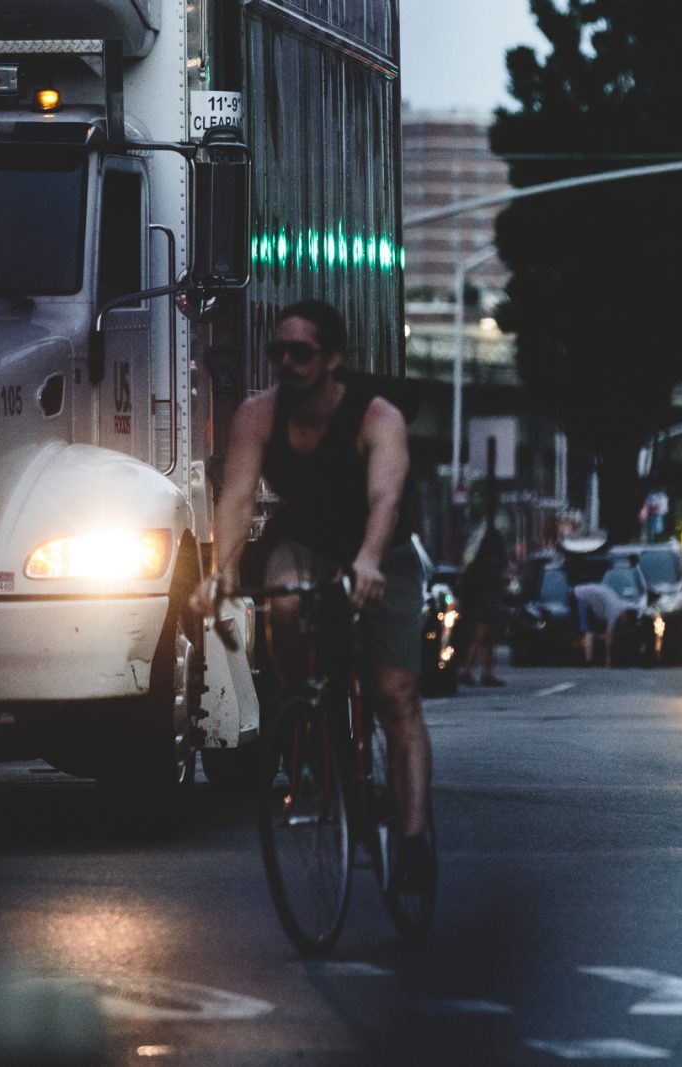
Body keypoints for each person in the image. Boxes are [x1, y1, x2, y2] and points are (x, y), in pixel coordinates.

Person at [192, 299, 432, 886]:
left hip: (383, 552)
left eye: (302, 353)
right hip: (303, 542)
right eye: (279, 352)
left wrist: (369, 562)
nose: (287, 364)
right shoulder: (258, 416)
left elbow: (385, 501)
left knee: (394, 693)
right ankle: (308, 719)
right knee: (285, 598)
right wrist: (220, 570)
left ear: (333, 360)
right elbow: (239, 498)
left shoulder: (376, 418)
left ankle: (413, 839)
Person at [457, 525, 510, 686]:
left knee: (478, 639)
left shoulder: (477, 563)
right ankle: (485, 673)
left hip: (478, 604)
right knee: (488, 641)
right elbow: (503, 580)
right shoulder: (497, 562)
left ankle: (468, 670)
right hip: (491, 604)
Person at [571, 579, 630, 667]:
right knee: (588, 631)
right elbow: (609, 635)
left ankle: (584, 651)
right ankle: (587, 661)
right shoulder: (614, 612)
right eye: (624, 618)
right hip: (579, 597)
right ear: (623, 613)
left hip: (580, 592)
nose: (624, 620)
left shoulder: (618, 601)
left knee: (592, 631)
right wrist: (608, 657)